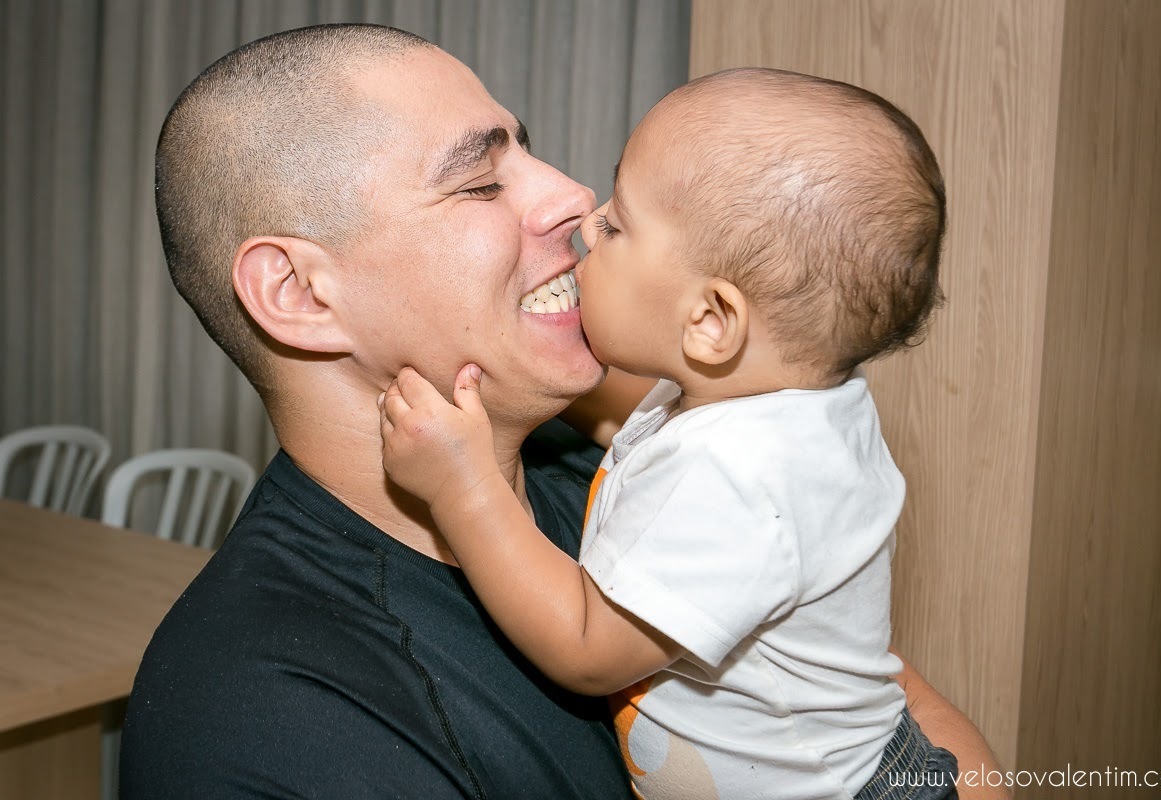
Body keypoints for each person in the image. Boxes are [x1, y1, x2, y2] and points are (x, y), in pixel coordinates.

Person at [121, 22, 1003, 800]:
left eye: (526, 151)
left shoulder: (645, 451)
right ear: (300, 293)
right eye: (480, 182)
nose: (573, 196)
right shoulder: (261, 715)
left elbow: (876, 705)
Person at [378, 68, 955, 800]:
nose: (588, 220)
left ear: (710, 322)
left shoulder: (739, 476)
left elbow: (586, 646)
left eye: (618, 228)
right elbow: (630, 417)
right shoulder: (777, 396)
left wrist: (464, 488)